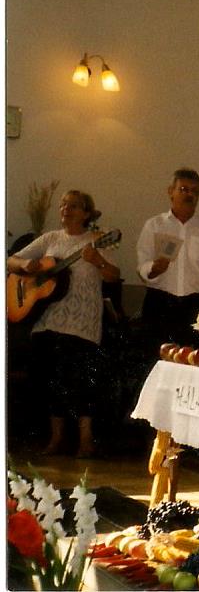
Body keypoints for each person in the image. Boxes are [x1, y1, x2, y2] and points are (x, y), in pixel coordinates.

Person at [8, 190, 121, 458]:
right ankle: (56, 439)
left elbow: (114, 276)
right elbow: (10, 261)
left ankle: (85, 440)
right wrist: (26, 264)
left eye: (73, 206)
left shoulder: (97, 240)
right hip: (48, 319)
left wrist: (98, 260)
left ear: (86, 213)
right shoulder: (50, 238)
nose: (66, 209)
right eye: (63, 205)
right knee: (50, 380)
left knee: (81, 381)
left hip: (82, 321)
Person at [136, 168, 199, 348]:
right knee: (154, 357)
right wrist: (154, 269)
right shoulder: (154, 225)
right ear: (171, 191)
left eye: (195, 191)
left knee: (194, 358)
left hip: (194, 306)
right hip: (159, 303)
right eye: (184, 189)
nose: (190, 195)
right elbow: (142, 263)